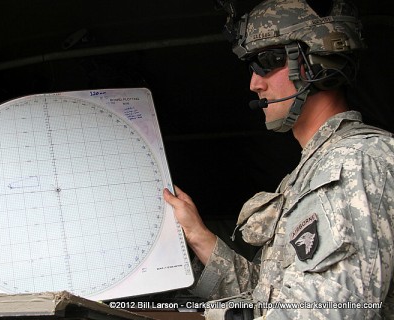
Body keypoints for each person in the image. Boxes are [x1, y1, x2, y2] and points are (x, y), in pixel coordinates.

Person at [163, 0, 394, 319]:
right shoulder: (304, 175)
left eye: (266, 62)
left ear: (314, 62)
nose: (254, 83)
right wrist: (198, 235)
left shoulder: (359, 158)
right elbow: (269, 296)